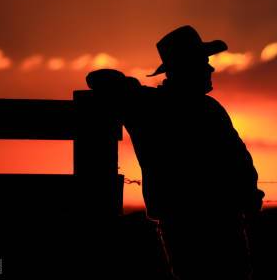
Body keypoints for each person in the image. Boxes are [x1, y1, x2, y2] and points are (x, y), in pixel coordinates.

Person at [86, 25, 264, 280]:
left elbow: (99, 80)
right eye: (203, 62)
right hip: (213, 221)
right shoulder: (176, 107)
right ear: (187, 66)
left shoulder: (148, 106)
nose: (210, 68)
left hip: (189, 220)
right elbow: (237, 160)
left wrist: (131, 89)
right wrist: (250, 198)